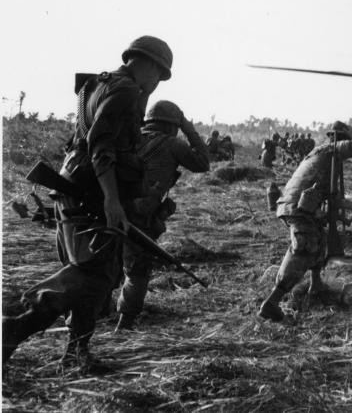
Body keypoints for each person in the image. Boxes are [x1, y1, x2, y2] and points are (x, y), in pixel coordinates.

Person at [2, 35, 173, 368]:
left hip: (77, 188)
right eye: (158, 75)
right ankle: (13, 329)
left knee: (100, 275)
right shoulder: (124, 90)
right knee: (93, 276)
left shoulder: (100, 84)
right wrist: (111, 200)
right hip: (93, 193)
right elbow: (100, 145)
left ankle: (76, 353)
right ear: (147, 63)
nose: (156, 84)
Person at [258, 121, 352, 322]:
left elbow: (336, 200)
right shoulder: (329, 150)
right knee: (304, 249)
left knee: (320, 243)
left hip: (302, 207)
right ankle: (271, 302)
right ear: (341, 139)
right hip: (298, 207)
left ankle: (316, 286)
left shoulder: (327, 160)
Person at [115, 100, 209, 331]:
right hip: (140, 215)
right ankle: (124, 324)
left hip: (114, 206)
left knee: (112, 263)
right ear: (172, 125)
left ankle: (101, 311)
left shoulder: (128, 138)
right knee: (138, 271)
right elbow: (202, 163)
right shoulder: (172, 144)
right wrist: (189, 129)